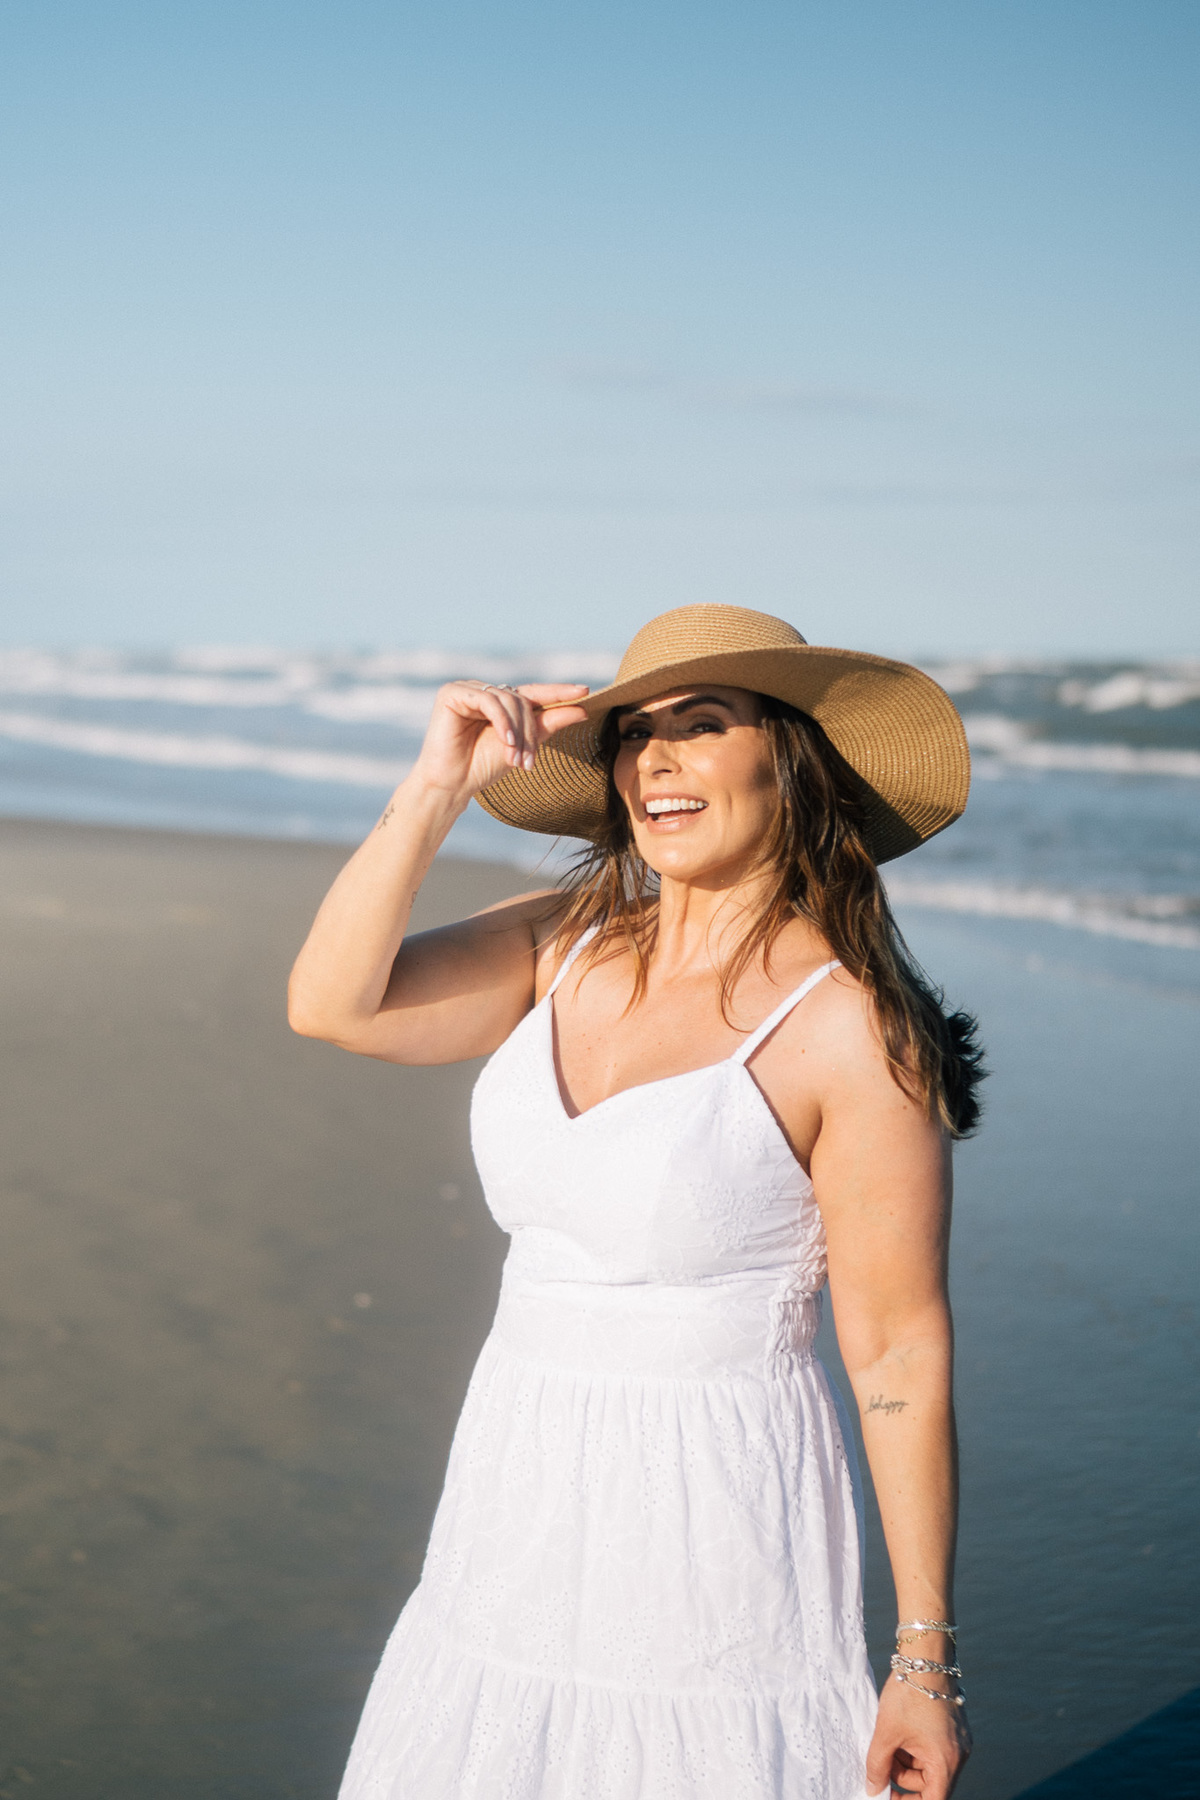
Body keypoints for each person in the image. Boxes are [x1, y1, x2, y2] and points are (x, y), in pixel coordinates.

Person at [289, 603, 983, 1800]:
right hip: (517, 1479)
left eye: (700, 725)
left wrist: (923, 1660)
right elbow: (335, 1004)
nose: (651, 759)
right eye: (630, 735)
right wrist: (433, 786)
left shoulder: (850, 1026)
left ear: (790, 762)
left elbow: (898, 1352)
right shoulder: (567, 940)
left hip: (709, 1510)